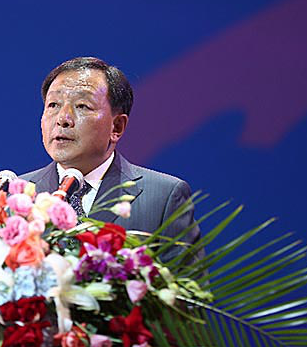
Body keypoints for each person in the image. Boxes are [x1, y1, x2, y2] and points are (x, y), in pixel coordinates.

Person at [20, 57, 202, 261]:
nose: (63, 119)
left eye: (82, 106)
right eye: (53, 105)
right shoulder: (14, 196)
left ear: (117, 127)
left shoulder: (163, 197)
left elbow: (186, 281)